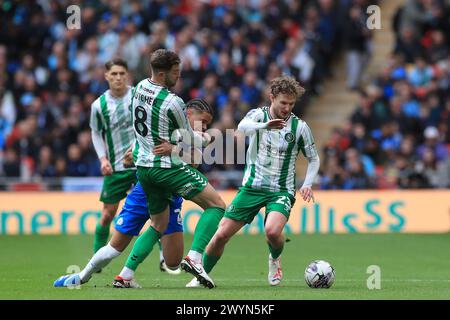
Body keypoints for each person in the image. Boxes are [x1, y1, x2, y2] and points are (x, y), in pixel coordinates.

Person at [53, 99, 213, 288]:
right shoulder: (165, 126)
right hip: (145, 190)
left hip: (171, 196)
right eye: (202, 121)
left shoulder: (192, 138)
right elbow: (134, 155)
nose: (204, 126)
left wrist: (175, 149)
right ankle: (82, 277)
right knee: (115, 247)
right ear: (188, 115)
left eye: (207, 124)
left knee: (173, 261)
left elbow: (194, 161)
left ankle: (125, 276)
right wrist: (134, 155)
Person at [188, 75, 320, 288]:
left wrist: (307, 184)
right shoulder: (258, 116)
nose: (287, 108)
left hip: (281, 190)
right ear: (272, 98)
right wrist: (265, 126)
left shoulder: (300, 127)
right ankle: (201, 277)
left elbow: (314, 159)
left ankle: (274, 259)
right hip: (252, 188)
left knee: (272, 231)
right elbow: (242, 127)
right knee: (221, 234)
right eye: (283, 103)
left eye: (291, 104)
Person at [129, 49, 225, 289]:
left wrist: (170, 146)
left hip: (144, 168)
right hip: (164, 169)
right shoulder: (173, 102)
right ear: (162, 73)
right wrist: (208, 139)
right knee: (216, 205)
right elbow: (190, 139)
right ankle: (194, 257)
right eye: (175, 71)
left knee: (158, 228)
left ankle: (125, 275)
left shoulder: (140, 87)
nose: (178, 75)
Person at [89, 58, 137, 254]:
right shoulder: (99, 105)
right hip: (116, 168)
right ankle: (97, 258)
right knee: (108, 215)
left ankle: (163, 258)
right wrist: (103, 159)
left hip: (142, 164)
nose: (118, 78)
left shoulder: (138, 96)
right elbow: (95, 132)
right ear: (106, 76)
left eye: (122, 74)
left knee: (156, 211)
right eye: (114, 74)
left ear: (127, 75)